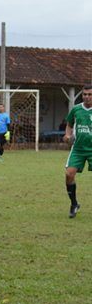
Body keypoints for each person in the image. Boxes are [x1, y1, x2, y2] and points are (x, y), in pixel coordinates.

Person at [63, 85, 92, 218]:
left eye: (90, 94)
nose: (87, 97)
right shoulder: (76, 109)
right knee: (69, 175)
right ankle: (74, 203)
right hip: (78, 149)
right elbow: (69, 125)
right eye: (85, 94)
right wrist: (68, 135)